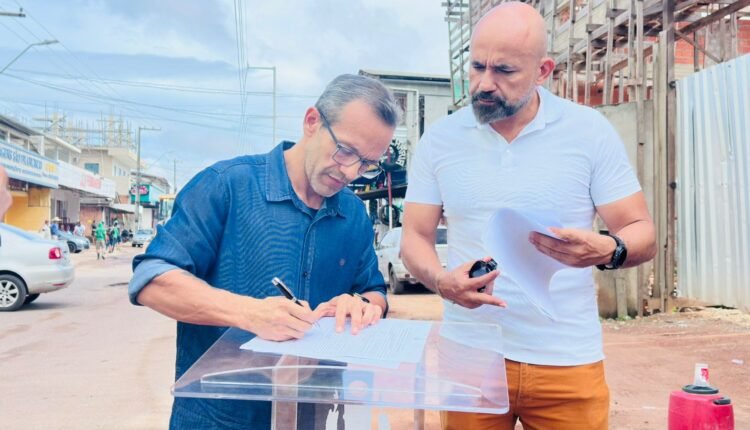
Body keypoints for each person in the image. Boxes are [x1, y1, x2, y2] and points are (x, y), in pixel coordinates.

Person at [400, 3, 656, 429]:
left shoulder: (588, 131)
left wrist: (609, 250)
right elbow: (414, 236)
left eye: (504, 71)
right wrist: (442, 281)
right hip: (471, 356)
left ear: (543, 71)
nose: (485, 84)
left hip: (566, 356)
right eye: (477, 66)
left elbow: (641, 231)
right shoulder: (440, 140)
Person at [128, 74, 401, 429]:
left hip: (313, 415)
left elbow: (374, 291)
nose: (350, 171)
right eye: (345, 150)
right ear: (312, 122)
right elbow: (151, 280)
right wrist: (249, 313)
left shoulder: (353, 214)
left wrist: (362, 305)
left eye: (366, 164)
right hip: (217, 416)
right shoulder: (226, 186)